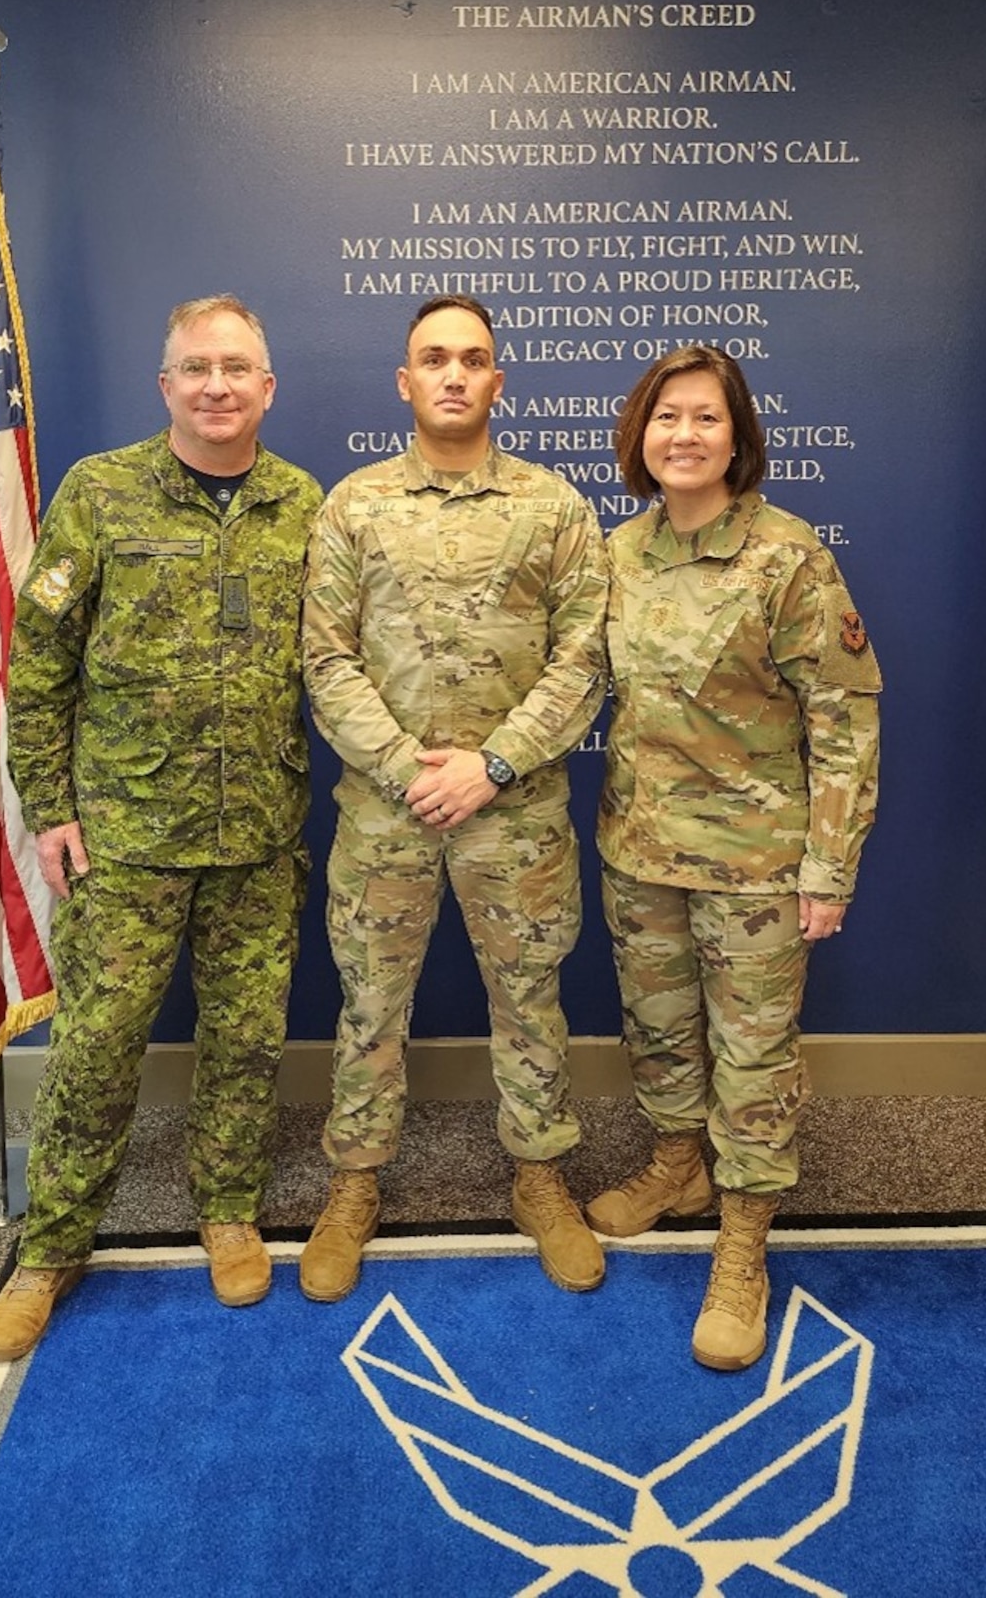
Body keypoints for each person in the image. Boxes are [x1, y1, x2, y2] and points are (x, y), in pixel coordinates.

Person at [0, 296, 322, 1360]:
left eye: (236, 367)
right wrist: (49, 806)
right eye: (194, 367)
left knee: (247, 1040)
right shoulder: (100, 491)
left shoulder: (303, 503)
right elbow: (39, 663)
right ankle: (49, 1248)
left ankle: (227, 1207)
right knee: (94, 1047)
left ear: (268, 386)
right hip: (123, 835)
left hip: (258, 833)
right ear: (162, 384)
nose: (215, 384)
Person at [299, 295, 610, 1299]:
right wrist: (403, 765)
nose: (450, 374)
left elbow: (583, 657)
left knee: (528, 1001)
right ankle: (354, 1180)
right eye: (431, 357)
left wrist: (493, 763)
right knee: (370, 1003)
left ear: (496, 381)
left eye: (470, 359)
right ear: (403, 380)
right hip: (386, 809)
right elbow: (326, 655)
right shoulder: (351, 505)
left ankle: (538, 1174)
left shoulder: (553, 507)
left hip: (512, 812)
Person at [585, 344, 880, 1372]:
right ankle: (677, 1167)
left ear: (737, 436)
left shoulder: (787, 558)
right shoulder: (618, 554)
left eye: (704, 417)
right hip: (639, 850)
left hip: (756, 864)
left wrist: (826, 865)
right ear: (639, 434)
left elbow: (843, 719)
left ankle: (742, 1246)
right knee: (659, 1035)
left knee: (751, 1063)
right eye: (666, 416)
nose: (683, 435)